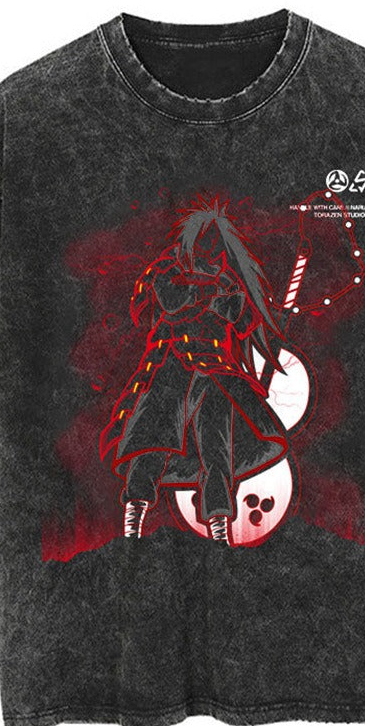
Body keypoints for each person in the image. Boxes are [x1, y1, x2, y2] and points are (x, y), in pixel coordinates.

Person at [99, 195, 290, 544]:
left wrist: (240, 302)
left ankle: (220, 531)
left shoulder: (225, 278)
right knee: (152, 443)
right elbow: (173, 302)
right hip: (171, 364)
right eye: (208, 239)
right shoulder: (168, 269)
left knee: (217, 452)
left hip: (217, 373)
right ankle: (133, 524)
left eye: (217, 242)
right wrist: (217, 296)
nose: (213, 249)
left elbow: (240, 318)